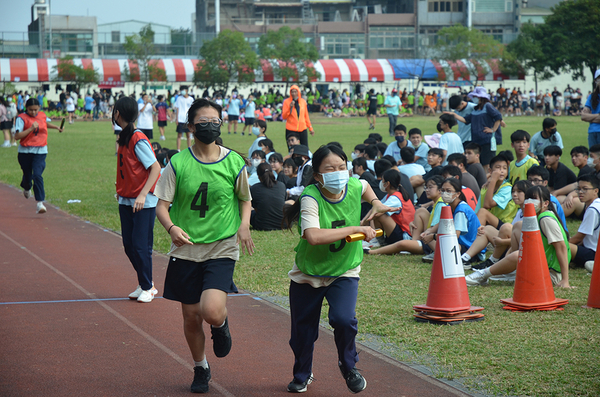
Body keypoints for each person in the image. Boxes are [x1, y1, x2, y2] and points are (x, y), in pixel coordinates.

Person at [154, 98, 254, 394]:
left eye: (215, 122)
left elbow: (245, 200)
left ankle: (220, 326)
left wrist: (244, 224)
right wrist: (172, 228)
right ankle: (201, 367)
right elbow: (162, 206)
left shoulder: (234, 162)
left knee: (211, 311)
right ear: (191, 127)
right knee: (190, 316)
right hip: (186, 249)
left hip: (221, 247)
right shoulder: (178, 163)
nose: (210, 127)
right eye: (203, 123)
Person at [281, 144, 397, 394]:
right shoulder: (310, 196)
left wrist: (376, 202)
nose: (338, 172)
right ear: (318, 175)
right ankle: (302, 373)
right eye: (330, 169)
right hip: (308, 273)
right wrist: (354, 229)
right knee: (302, 333)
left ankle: (349, 367)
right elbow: (313, 236)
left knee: (343, 320)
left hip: (344, 270)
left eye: (342, 167)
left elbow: (365, 187)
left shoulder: (355, 186)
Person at [466, 185, 571, 289]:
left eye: (534, 199)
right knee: (517, 226)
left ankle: (483, 274)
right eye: (528, 198)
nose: (529, 201)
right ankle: (514, 271)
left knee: (519, 255)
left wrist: (565, 280)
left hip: (551, 274)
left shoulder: (545, 219)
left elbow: (561, 247)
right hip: (541, 266)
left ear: (546, 203)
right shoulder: (538, 216)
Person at [113, 96, 161, 303]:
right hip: (126, 199)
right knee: (128, 245)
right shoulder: (125, 136)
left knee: (141, 245)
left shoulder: (137, 137)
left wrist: (142, 194)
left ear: (117, 114)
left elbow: (156, 168)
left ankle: (148, 287)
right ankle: (145, 282)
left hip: (143, 201)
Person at [14, 98, 64, 214]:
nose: (34, 112)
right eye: (31, 110)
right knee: (27, 175)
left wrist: (57, 127)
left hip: (40, 151)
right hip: (25, 152)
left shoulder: (41, 115)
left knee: (37, 175)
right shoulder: (21, 118)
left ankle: (40, 203)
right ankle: (26, 186)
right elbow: (17, 136)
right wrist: (31, 128)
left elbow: (44, 123)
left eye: (36, 110)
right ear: (26, 108)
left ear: (39, 108)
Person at [449, 87, 503, 171]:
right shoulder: (476, 109)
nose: (474, 98)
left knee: (487, 165)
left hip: (486, 140)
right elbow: (466, 120)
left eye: (476, 96)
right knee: (480, 164)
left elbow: (498, 117)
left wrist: (493, 130)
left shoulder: (487, 106)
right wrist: (455, 115)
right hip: (477, 141)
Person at [364, 169, 415, 249]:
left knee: (380, 214)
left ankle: (377, 240)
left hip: (405, 236)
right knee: (378, 209)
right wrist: (363, 222)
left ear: (387, 183)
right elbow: (376, 206)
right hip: (400, 232)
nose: (381, 182)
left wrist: (365, 223)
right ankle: (378, 239)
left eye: (382, 180)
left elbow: (378, 211)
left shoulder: (395, 198)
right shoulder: (391, 195)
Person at [568, 174, 600, 269]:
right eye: (578, 189)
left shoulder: (593, 209)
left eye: (585, 189)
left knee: (560, 245)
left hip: (594, 253)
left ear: (596, 191)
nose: (580, 192)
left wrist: (563, 245)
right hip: (593, 249)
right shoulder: (596, 204)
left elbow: (579, 238)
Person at [582, 70, 600, 147]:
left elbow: (587, 116)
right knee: (593, 156)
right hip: (592, 131)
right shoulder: (592, 97)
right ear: (595, 81)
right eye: (599, 78)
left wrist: (591, 117)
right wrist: (598, 116)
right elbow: (583, 116)